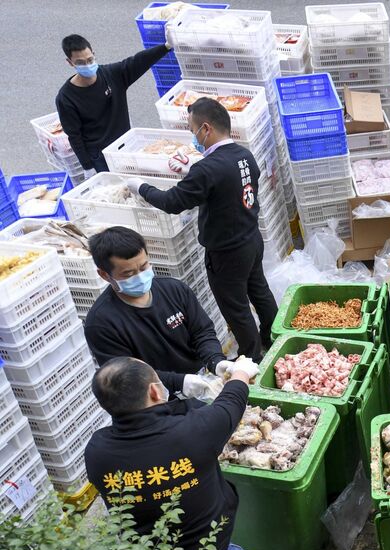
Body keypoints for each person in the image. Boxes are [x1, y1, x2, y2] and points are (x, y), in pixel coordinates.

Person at [84, 356, 307, 550]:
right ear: (153, 391)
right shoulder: (192, 431)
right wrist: (240, 372)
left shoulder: (97, 452)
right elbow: (230, 404)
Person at [126, 97, 278, 362]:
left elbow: (171, 202)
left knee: (236, 308)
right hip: (251, 239)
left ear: (205, 128)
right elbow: (224, 187)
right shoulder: (243, 155)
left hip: (227, 252)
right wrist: (191, 171)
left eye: (192, 129)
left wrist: (139, 186)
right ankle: (273, 338)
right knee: (260, 292)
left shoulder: (206, 169)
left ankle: (251, 359)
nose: (192, 135)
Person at [84, 226, 232, 399]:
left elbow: (202, 332)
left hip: (202, 379)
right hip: (155, 399)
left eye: (143, 266)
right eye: (128, 274)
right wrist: (181, 382)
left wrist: (216, 361)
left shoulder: (174, 289)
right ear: (104, 275)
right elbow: (127, 376)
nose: (140, 276)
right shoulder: (101, 323)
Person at [56, 34, 171, 176]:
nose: (87, 65)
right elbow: (74, 136)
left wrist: (166, 47)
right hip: (100, 156)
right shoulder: (66, 98)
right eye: (80, 63)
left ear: (94, 54)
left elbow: (138, 61)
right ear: (70, 62)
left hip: (125, 145)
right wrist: (87, 167)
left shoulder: (112, 75)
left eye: (90, 59)